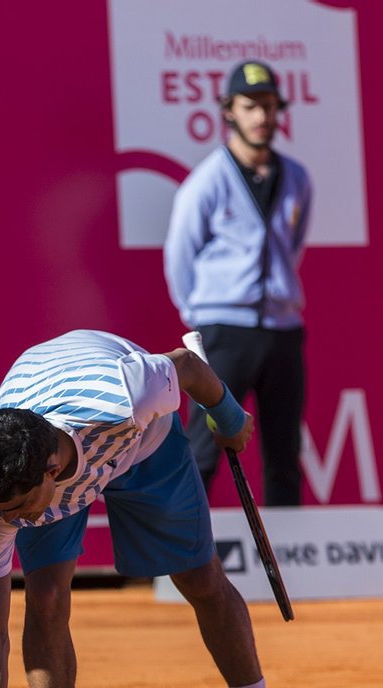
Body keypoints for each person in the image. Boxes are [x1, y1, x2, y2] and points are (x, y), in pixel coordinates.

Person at [0, 328, 319, 688]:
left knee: (202, 580)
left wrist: (230, 418)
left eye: (17, 510)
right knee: (44, 600)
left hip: (142, 448)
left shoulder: (126, 392)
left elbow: (191, 369)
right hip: (57, 435)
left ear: (52, 467)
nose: (8, 521)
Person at [164, 59, 313, 506]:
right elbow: (180, 256)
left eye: (269, 106)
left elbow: (293, 246)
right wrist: (204, 316)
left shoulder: (298, 177)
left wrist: (279, 298)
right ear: (229, 110)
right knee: (203, 450)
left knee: (285, 453)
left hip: (283, 332)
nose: (262, 116)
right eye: (251, 106)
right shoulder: (206, 181)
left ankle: (287, 567)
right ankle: (187, 568)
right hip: (224, 332)